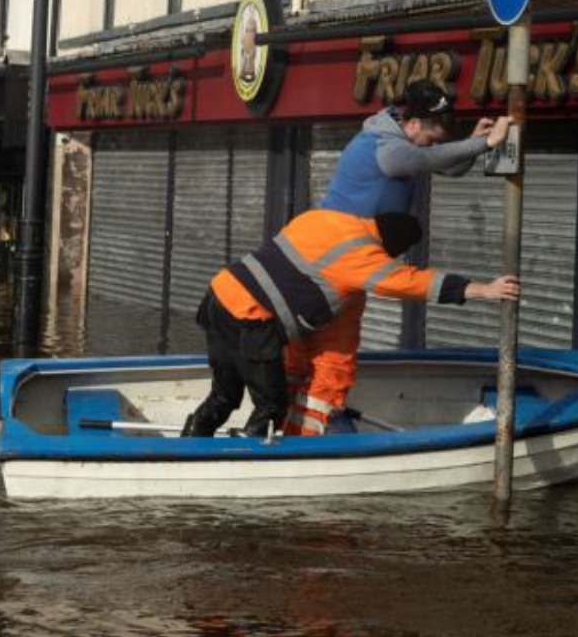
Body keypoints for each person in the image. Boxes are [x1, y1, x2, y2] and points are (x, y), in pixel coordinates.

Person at [182, 209, 519, 439]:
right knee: (272, 404)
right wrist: (480, 289)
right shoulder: (363, 258)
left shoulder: (321, 218)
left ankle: (188, 449)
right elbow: (412, 282)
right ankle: (253, 459)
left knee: (224, 395)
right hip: (249, 318)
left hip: (218, 296)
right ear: (391, 250)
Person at [318, 78, 512, 217]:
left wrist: (474, 139)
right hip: (336, 243)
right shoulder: (385, 146)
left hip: (360, 244)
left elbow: (453, 168)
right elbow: (429, 157)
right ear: (414, 124)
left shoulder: (403, 143)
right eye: (430, 139)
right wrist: (486, 143)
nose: (433, 146)